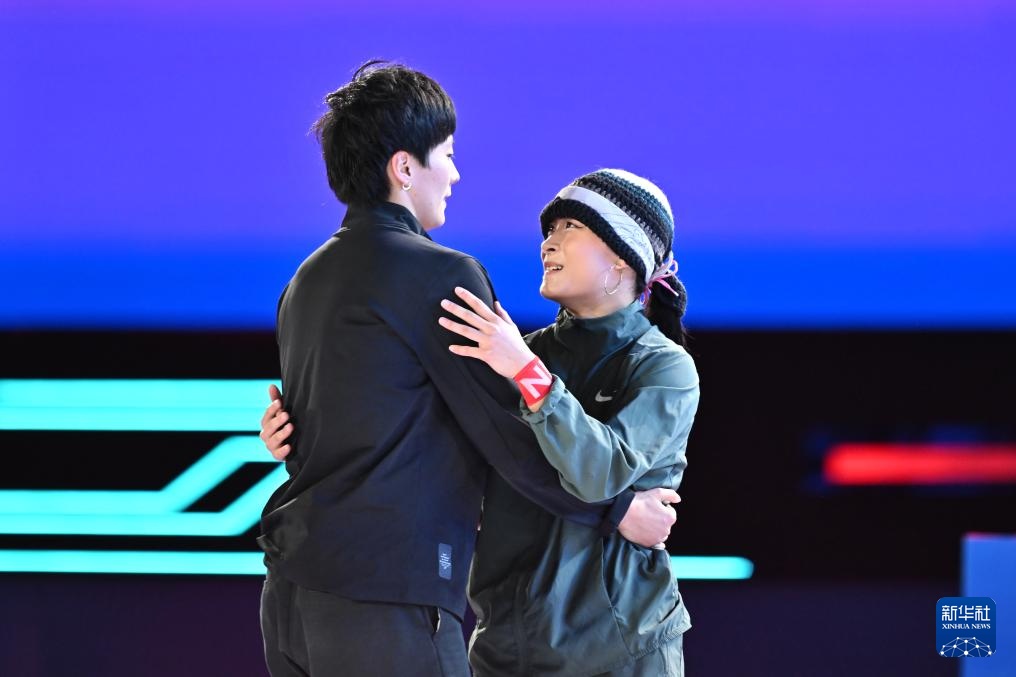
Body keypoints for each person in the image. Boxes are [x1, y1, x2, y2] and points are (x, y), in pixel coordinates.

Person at [256, 61, 678, 677]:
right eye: (447, 156)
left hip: (291, 601)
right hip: (384, 600)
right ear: (405, 168)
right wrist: (617, 511)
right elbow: (505, 434)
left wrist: (286, 438)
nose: (454, 174)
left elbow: (321, 434)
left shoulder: (305, 280)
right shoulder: (441, 275)